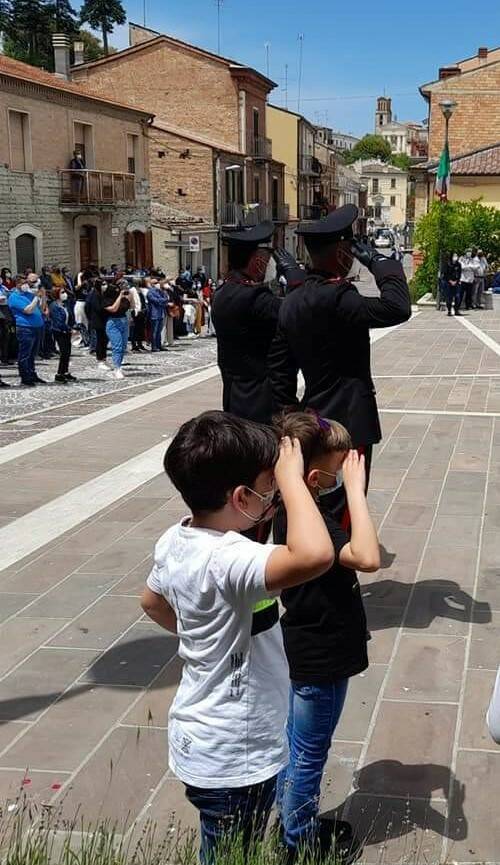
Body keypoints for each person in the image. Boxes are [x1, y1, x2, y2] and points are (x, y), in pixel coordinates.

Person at [140, 410, 334, 865]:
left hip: (202, 736)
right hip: (235, 755)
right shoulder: (229, 558)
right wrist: (291, 478)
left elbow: (150, 601)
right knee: (230, 854)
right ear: (243, 496)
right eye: (268, 486)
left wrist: (202, 637)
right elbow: (316, 553)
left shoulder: (176, 538)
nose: (274, 495)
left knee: (226, 846)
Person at [273, 410, 380, 862]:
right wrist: (356, 490)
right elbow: (366, 557)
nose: (341, 478)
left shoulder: (296, 509)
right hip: (321, 653)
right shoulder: (311, 518)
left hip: (311, 645)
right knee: (308, 754)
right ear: (314, 474)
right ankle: (297, 843)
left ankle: (292, 823)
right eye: (336, 471)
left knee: (297, 746)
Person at [269, 204, 411, 517]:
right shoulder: (340, 297)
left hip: (313, 416)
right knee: (345, 506)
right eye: (349, 249)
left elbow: (280, 370)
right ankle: (335, 562)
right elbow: (398, 307)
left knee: (316, 498)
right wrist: (379, 262)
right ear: (342, 253)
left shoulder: (291, 302)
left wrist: (290, 414)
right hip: (349, 421)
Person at [211, 222, 302, 425]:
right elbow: (298, 313)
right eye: (269, 259)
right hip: (262, 401)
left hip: (235, 395)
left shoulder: (222, 293)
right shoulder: (256, 298)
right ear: (258, 262)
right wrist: (296, 280)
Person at [7, 273, 45, 387]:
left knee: (33, 354)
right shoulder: (14, 297)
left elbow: (41, 308)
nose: (26, 285)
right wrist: (36, 298)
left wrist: (43, 296)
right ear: (17, 284)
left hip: (37, 327)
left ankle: (32, 374)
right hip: (25, 328)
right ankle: (25, 377)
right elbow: (28, 310)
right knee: (25, 354)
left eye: (26, 283)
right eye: (23, 283)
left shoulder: (29, 294)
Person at [103, 278, 130, 379]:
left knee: (123, 346)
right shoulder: (106, 300)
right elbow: (114, 309)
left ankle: (119, 365)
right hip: (113, 322)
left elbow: (128, 305)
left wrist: (127, 295)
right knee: (117, 346)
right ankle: (117, 368)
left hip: (123, 321)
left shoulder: (123, 298)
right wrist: (119, 296)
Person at [49, 286, 76, 384]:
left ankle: (65, 371)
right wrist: (68, 329)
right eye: (62, 292)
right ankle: (59, 374)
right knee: (64, 352)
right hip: (59, 332)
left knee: (68, 352)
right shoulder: (54, 306)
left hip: (67, 331)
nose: (65, 294)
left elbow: (70, 316)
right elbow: (59, 321)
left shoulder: (65, 305)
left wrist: (72, 327)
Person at [86, 278, 109, 372]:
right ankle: (100, 360)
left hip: (102, 320)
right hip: (97, 320)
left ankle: (104, 358)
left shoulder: (101, 293)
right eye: (103, 284)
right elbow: (96, 308)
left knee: (104, 340)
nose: (105, 286)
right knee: (100, 340)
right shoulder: (94, 294)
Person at [147, 281, 168, 351]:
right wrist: (162, 300)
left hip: (161, 313)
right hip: (154, 314)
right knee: (154, 331)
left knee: (159, 331)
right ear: (152, 284)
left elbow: (166, 299)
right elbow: (155, 301)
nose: (158, 284)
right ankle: (154, 346)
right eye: (156, 283)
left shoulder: (160, 291)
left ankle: (159, 345)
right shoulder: (150, 292)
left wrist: (163, 298)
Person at [444, 252, 462, 317]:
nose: (455, 257)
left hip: (456, 283)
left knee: (457, 297)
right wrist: (450, 281)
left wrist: (456, 281)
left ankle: (456, 310)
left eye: (456, 256)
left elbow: (459, 274)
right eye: (454, 256)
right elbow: (445, 274)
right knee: (449, 298)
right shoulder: (447, 264)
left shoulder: (458, 264)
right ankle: (449, 310)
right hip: (448, 283)